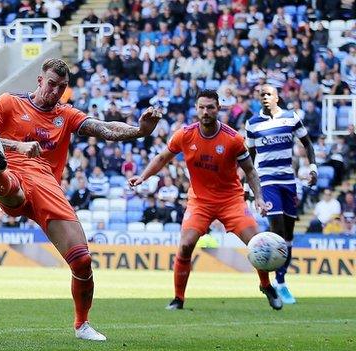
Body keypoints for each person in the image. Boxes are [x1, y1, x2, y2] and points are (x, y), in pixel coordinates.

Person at [0, 58, 162, 341]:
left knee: (82, 260)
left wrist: (140, 131)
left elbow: (105, 128)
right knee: (12, 188)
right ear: (40, 81)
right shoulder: (9, 102)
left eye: (61, 87)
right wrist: (15, 145)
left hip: (47, 185)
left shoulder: (66, 115)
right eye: (51, 84)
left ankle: (82, 324)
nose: (55, 91)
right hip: (15, 169)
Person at [128, 90, 282, 311]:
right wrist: (143, 177)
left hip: (231, 201)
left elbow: (250, 171)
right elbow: (162, 157)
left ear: (218, 108)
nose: (205, 111)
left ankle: (266, 285)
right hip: (200, 201)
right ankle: (178, 299)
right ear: (196, 109)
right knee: (185, 246)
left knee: (258, 243)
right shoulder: (185, 134)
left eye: (210, 107)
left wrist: (258, 197)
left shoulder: (233, 139)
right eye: (201, 107)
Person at [245, 85, 317, 304]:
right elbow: (249, 157)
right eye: (262, 95)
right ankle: (277, 282)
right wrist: (251, 188)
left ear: (277, 97)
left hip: (288, 181)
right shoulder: (253, 124)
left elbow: (307, 143)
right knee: (276, 226)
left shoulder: (290, 118)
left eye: (269, 94)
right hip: (267, 182)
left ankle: (281, 281)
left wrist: (312, 167)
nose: (265, 98)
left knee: (288, 236)